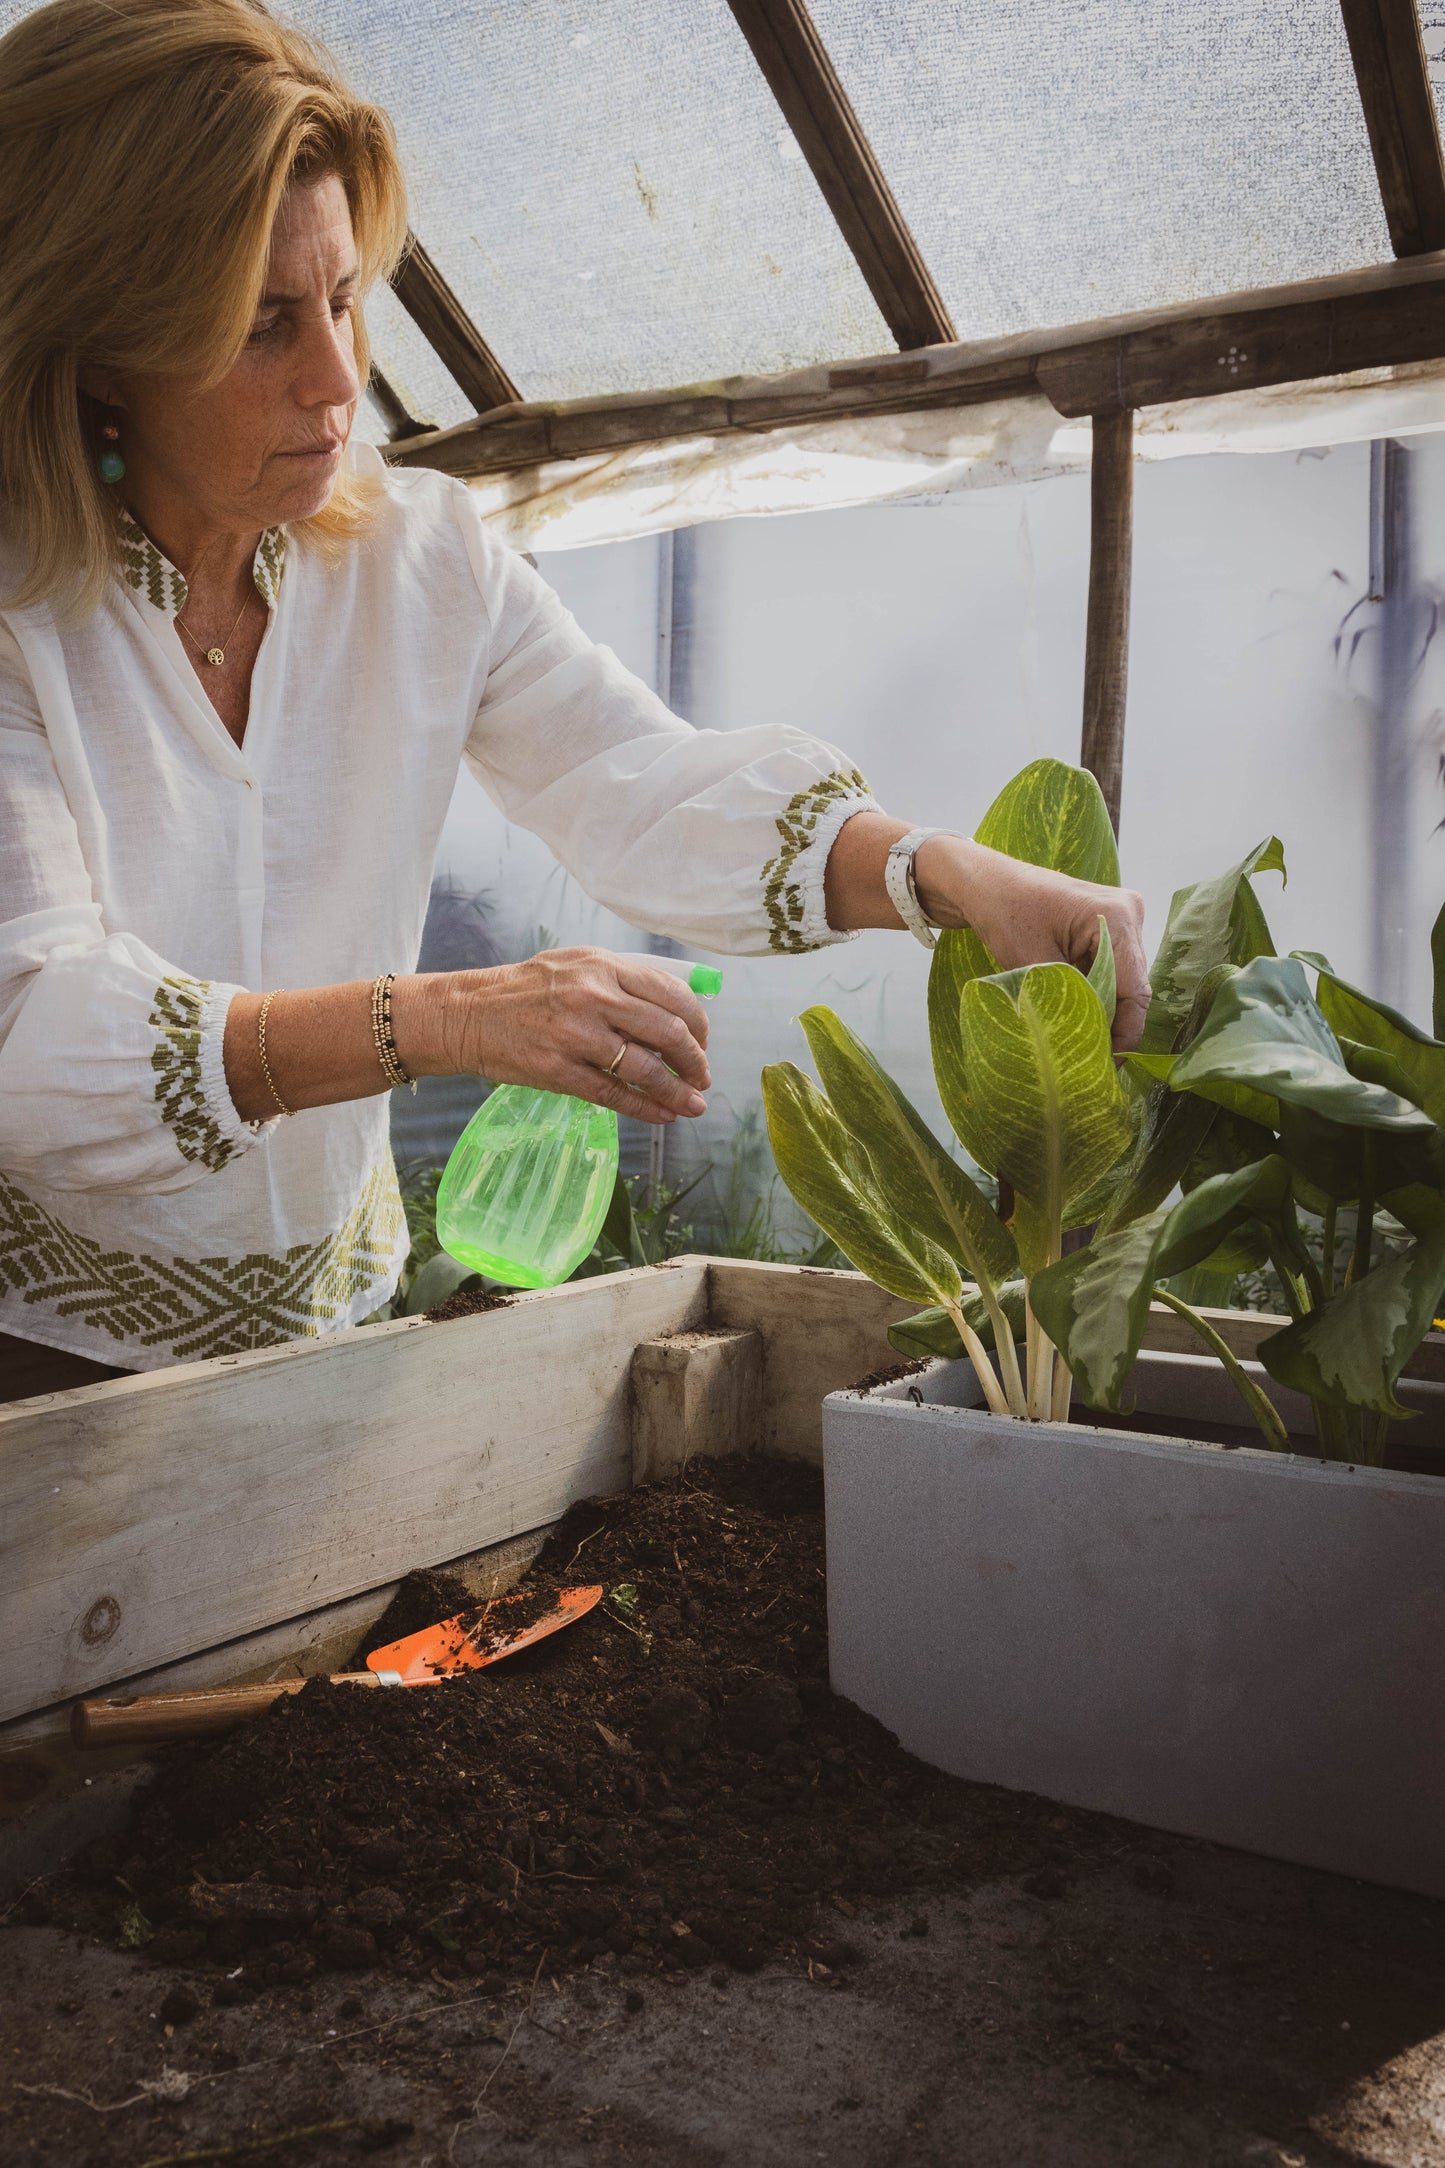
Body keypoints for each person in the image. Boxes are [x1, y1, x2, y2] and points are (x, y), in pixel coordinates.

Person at [0, 0, 1146, 1397]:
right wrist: (440, 1017)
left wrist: (931, 871)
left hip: (336, 1330)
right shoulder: (18, 610)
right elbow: (35, 1038)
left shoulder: (425, 558)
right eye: (258, 328)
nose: (336, 380)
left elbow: (638, 782)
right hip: (42, 1358)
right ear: (98, 348)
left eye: (347, 298)